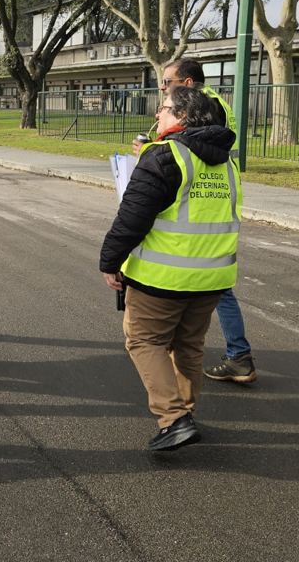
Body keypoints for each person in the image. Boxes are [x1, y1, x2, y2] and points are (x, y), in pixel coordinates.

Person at [102, 85, 240, 451]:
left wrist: (109, 261)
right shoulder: (227, 162)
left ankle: (174, 418)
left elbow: (131, 219)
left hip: (162, 278)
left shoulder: (165, 156)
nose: (157, 116)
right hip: (213, 277)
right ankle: (185, 412)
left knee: (144, 340)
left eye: (163, 109)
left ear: (183, 116)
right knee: (189, 345)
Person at [132, 58, 257, 384]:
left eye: (167, 82)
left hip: (197, 201)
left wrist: (153, 152)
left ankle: (236, 355)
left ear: (187, 84)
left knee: (211, 286)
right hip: (214, 200)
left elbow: (190, 146)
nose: (163, 88)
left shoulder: (203, 105)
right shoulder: (216, 102)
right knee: (215, 285)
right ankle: (234, 355)